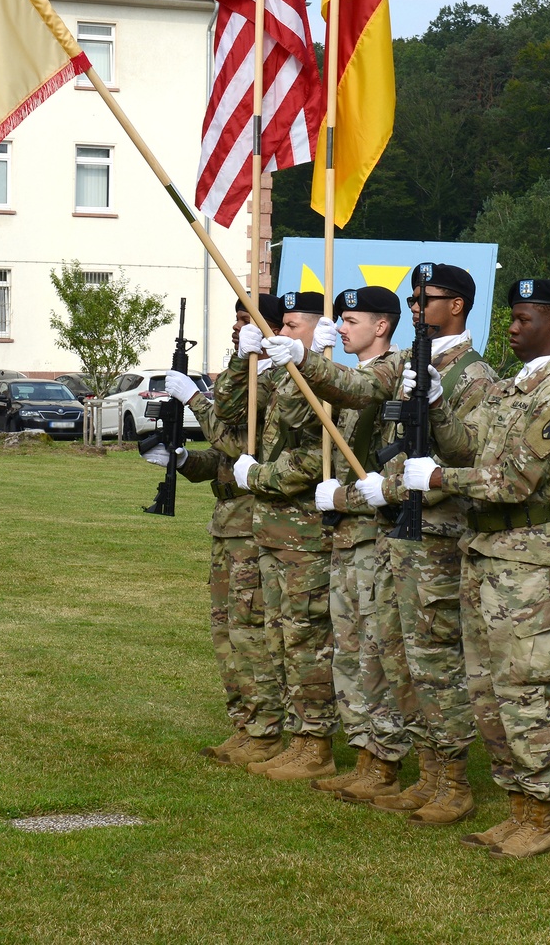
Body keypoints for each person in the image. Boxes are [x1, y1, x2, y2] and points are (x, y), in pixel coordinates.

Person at [286, 264, 497, 825]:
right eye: (413, 298)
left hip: (440, 536)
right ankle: (425, 772)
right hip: (397, 535)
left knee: (434, 664)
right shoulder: (407, 362)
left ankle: (451, 779)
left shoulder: (476, 378)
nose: (417, 307)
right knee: (398, 660)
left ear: (458, 305)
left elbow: (469, 458)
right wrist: (307, 358)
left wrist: (384, 487)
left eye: (428, 299)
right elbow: (360, 387)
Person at [404, 278, 550, 859]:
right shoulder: (515, 391)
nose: (512, 328)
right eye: (511, 318)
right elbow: (468, 449)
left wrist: (437, 480)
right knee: (487, 692)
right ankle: (517, 808)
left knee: (526, 689)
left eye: (523, 319)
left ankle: (541, 816)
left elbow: (513, 480)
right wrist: (437, 405)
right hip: (486, 553)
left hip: (532, 557)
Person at [156, 294, 287, 768]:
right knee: (226, 630)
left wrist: (194, 399)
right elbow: (227, 457)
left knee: (251, 629)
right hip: (228, 521)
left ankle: (266, 728)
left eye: (246, 322)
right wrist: (185, 461)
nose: (237, 329)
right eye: (235, 321)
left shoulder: (276, 383)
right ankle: (245, 722)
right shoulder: (244, 377)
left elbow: (241, 443)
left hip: (256, 521)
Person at [217, 291, 338, 781]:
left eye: (291, 326)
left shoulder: (327, 381)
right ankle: (292, 733)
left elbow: (318, 449)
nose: (280, 335)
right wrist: (240, 357)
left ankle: (314, 744)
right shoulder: (284, 381)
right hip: (271, 530)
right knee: (277, 637)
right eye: (279, 326)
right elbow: (229, 411)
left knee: (307, 639)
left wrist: (320, 364)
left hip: (305, 531)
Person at [305, 286, 412, 804]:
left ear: (382, 326)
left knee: (376, 650)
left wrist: (307, 356)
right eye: (340, 321)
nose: (343, 328)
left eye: (351, 320)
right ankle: (363, 749)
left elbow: (358, 389)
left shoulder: (393, 371)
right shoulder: (352, 374)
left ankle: (384, 758)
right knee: (349, 649)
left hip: (375, 533)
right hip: (345, 535)